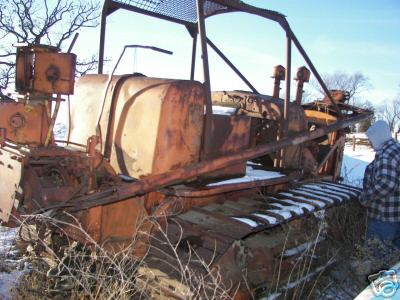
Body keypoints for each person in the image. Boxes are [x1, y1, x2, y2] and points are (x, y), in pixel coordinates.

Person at [360, 120, 400, 250]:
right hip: (396, 215)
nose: (370, 143)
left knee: (376, 255)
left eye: (371, 139)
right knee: (393, 257)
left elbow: (386, 184)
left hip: (384, 217)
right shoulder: (396, 149)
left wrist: (366, 197)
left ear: (378, 137)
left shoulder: (386, 155)